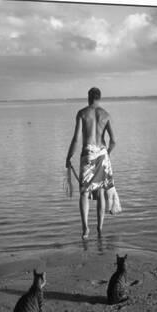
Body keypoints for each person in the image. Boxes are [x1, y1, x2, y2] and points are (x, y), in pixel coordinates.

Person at [65, 87, 116, 239]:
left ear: (89, 97)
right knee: (100, 191)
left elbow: (76, 139)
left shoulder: (82, 113)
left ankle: (85, 228)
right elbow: (113, 141)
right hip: (101, 154)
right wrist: (107, 154)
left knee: (84, 192)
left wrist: (68, 157)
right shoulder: (106, 115)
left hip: (88, 153)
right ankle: (100, 228)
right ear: (99, 98)